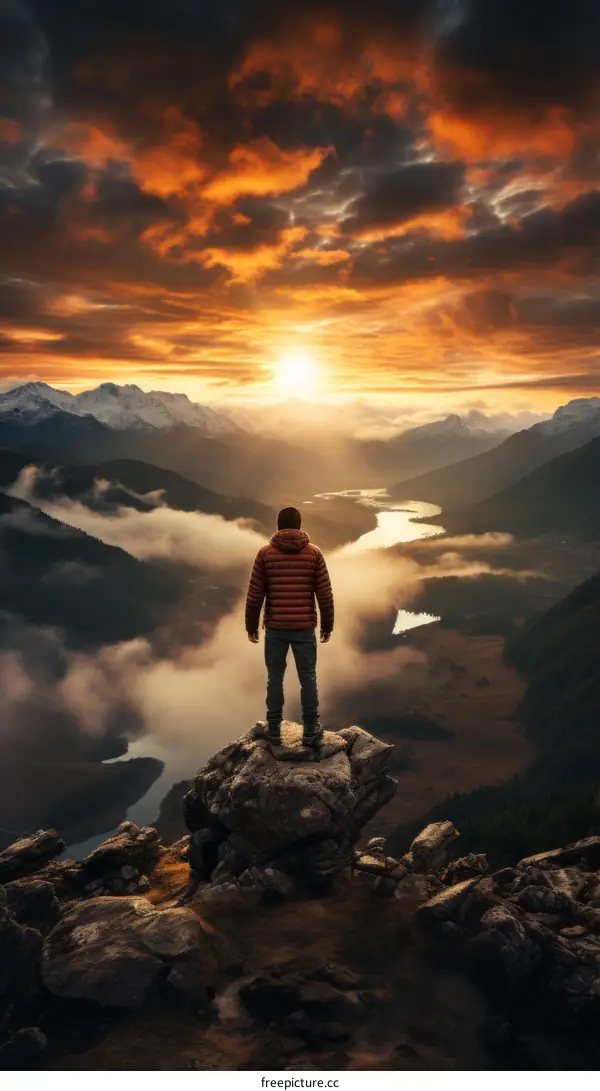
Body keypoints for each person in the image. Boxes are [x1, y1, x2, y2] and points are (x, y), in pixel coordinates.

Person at [245, 505, 334, 747]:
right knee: (308, 677)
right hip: (304, 627)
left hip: (275, 627)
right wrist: (327, 625)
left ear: (278, 526)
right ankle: (310, 730)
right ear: (299, 525)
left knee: (275, 678)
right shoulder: (314, 554)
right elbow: (324, 594)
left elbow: (255, 595)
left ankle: (273, 728)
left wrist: (251, 626)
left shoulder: (265, 554)